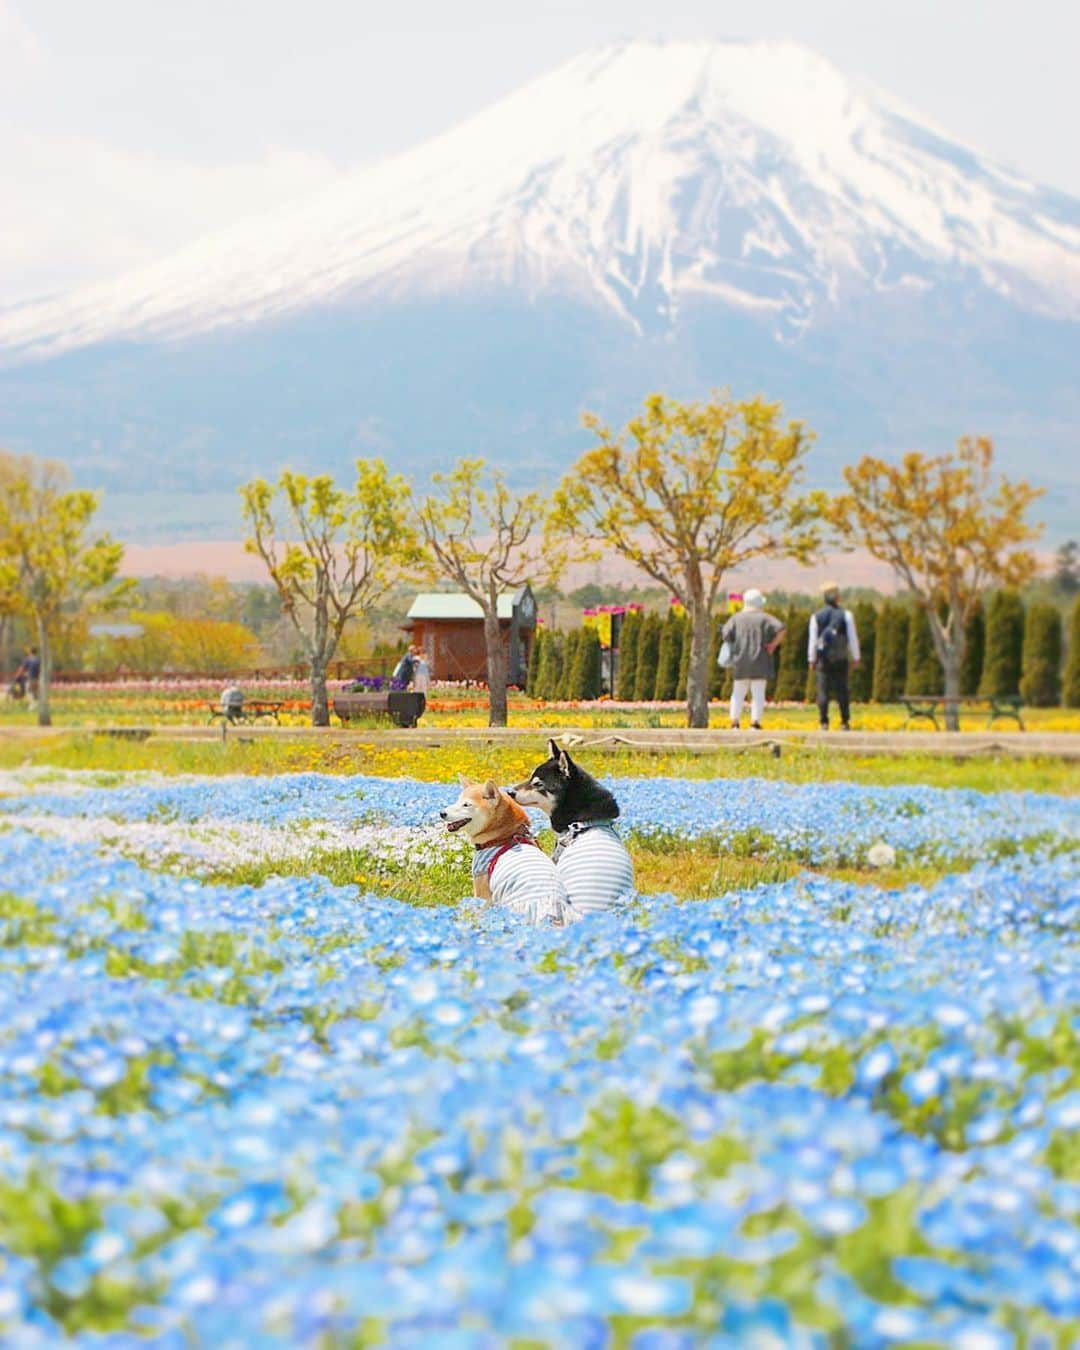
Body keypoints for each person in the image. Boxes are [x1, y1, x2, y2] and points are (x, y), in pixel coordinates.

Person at [721, 588, 785, 730]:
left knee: (738, 692)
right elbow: (781, 629)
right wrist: (773, 645)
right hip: (760, 660)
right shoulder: (764, 618)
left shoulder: (736, 618)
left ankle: (734, 722)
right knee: (758, 693)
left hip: (740, 661)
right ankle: (755, 722)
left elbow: (725, 634)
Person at [808, 582, 861, 730]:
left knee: (822, 690)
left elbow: (813, 640)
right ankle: (845, 721)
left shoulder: (816, 616)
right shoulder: (846, 615)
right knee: (842, 690)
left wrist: (811, 659)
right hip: (840, 657)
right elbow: (852, 638)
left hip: (823, 659)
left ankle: (824, 721)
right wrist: (856, 657)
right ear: (837, 597)